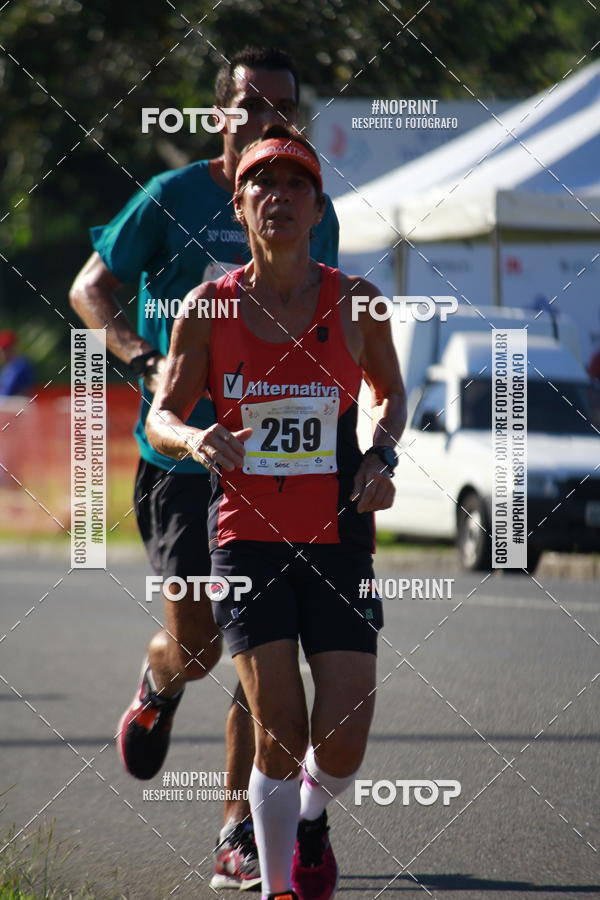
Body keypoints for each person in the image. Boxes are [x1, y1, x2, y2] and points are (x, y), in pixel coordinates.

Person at [69, 47, 340, 890]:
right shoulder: (172, 195)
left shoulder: (311, 203)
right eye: (251, 103)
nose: (268, 118)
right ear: (219, 114)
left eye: (283, 105)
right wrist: (142, 356)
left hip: (274, 462)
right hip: (181, 457)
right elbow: (89, 288)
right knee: (198, 647)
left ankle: (238, 830)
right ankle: (160, 681)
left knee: (264, 646)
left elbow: (327, 311)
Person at [145, 127, 406, 900]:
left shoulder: (357, 303)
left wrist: (380, 456)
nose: (281, 198)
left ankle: (314, 820)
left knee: (345, 737)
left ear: (318, 210)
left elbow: (390, 394)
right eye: (264, 184)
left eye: (298, 186)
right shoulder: (208, 308)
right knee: (281, 732)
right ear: (240, 206)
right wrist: (195, 438)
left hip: (338, 535)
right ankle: (278, 885)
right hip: (246, 540)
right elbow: (161, 414)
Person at [0, 330, 35, 397]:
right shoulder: (8, 367)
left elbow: (8, 391)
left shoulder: (21, 366)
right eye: (3, 349)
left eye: (6, 349)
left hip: (19, 401)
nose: (3, 352)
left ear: (14, 348)